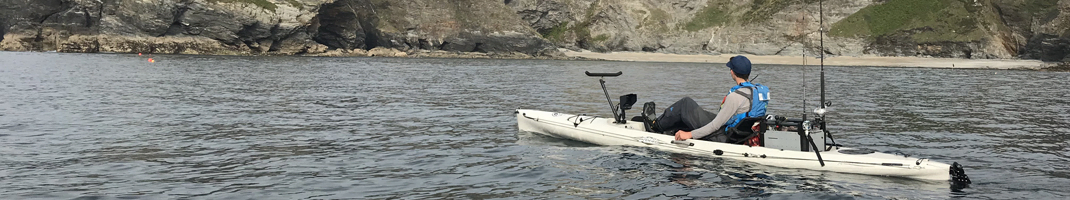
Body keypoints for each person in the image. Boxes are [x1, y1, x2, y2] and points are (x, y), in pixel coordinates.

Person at [651, 55, 769, 143]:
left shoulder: (735, 96)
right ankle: (673, 127)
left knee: (685, 104)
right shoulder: (757, 91)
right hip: (740, 133)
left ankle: (655, 126)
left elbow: (715, 126)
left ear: (732, 72)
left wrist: (689, 135)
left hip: (724, 136)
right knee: (698, 112)